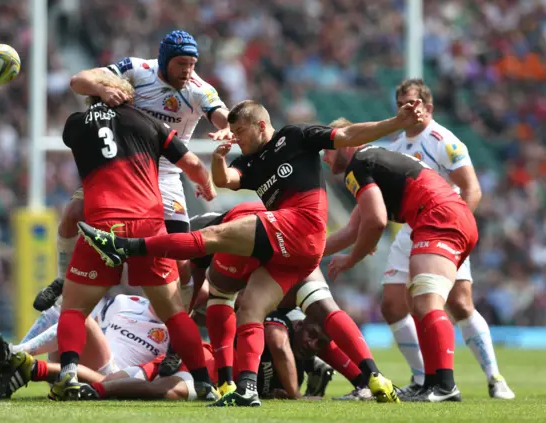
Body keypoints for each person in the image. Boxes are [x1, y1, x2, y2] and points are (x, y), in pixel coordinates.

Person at [77, 99, 424, 406]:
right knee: (251, 309)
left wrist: (396, 123)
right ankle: (250, 388)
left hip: (300, 224)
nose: (237, 138)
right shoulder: (251, 161)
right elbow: (225, 180)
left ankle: (125, 247)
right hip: (295, 252)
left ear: (261, 124)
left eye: (240, 132)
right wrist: (218, 158)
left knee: (212, 236)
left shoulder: (296, 136)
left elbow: (347, 136)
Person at [32, 28, 230, 378]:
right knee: (72, 215)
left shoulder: (200, 88)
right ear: (165, 60)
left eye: (192, 63)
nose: (187, 70)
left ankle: (173, 341)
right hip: (130, 161)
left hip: (167, 173)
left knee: (181, 260)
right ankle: (64, 279)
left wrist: (226, 129)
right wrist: (103, 88)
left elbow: (220, 113)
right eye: (181, 63)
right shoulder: (136, 69)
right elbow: (81, 79)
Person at [376, 79, 514, 400]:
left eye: (413, 103)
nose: (408, 109)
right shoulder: (395, 147)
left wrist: (454, 227)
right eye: (401, 104)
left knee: (459, 303)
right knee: (394, 305)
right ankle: (424, 378)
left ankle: (495, 378)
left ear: (428, 107)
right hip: (411, 230)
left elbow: (472, 189)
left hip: (443, 227)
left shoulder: (443, 141)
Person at [323, 124, 480, 402]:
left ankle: (445, 386)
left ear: (346, 145)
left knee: (427, 300)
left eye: (327, 150)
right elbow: (352, 230)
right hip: (443, 216)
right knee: (415, 301)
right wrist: (301, 253)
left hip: (438, 217)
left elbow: (375, 222)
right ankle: (430, 383)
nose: (324, 157)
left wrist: (353, 257)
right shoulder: (374, 162)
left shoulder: (360, 164)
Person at [186, 205, 388, 401]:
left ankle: (232, 383)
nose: (312, 343)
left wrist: (295, 396)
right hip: (288, 258)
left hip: (274, 271)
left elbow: (277, 340)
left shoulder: (217, 238)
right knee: (316, 319)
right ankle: (368, 378)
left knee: (233, 308)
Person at [75, 308, 332, 402]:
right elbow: (277, 345)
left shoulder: (295, 371)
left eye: (319, 343)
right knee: (155, 390)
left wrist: (280, 393)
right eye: (312, 334)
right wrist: (298, 396)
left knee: (105, 381)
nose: (312, 344)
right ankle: (92, 389)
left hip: (198, 355)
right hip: (209, 365)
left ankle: (44, 371)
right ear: (298, 325)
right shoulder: (279, 325)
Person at [0, 295, 170, 399]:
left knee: (80, 317)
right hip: (74, 365)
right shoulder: (124, 302)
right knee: (64, 308)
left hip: (114, 377)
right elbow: (93, 334)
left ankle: (15, 355)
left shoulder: (177, 331)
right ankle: (14, 357)